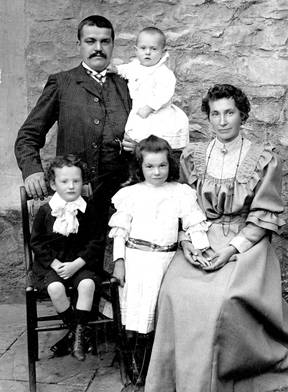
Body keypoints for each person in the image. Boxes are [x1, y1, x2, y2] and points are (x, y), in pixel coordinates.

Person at [145, 84, 288, 392]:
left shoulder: (263, 158)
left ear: (243, 116)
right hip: (201, 234)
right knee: (174, 289)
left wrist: (230, 251)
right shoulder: (193, 157)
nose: (222, 121)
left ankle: (216, 377)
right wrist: (186, 240)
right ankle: (174, 378)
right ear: (208, 118)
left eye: (229, 113)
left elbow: (264, 215)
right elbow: (182, 205)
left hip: (245, 240)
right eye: (215, 114)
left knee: (220, 298)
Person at [15, 15, 133, 266]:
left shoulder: (127, 84)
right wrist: (32, 170)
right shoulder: (62, 82)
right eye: (91, 41)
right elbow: (28, 135)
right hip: (77, 190)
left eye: (105, 41)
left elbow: (151, 132)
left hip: (121, 189)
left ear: (113, 45)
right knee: (79, 268)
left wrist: (139, 146)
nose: (98, 48)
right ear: (78, 44)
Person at [108, 135, 210, 389]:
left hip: (167, 260)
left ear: (170, 165)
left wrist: (202, 250)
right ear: (140, 167)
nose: (157, 171)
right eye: (150, 166)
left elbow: (193, 223)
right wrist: (119, 261)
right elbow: (120, 231)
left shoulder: (180, 192)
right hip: (137, 259)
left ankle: (160, 364)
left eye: (162, 166)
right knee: (138, 310)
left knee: (159, 311)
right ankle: (135, 358)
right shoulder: (130, 194)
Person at [30, 155, 103, 361]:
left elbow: (96, 241)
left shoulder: (88, 209)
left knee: (87, 284)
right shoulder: (46, 211)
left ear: (83, 182)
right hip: (52, 266)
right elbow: (37, 243)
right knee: (55, 288)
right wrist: (55, 263)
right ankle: (78, 331)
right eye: (64, 181)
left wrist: (77, 264)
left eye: (76, 181)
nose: (71, 186)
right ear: (53, 184)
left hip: (81, 263)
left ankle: (76, 337)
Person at [113, 26, 189, 154]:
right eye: (143, 48)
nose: (147, 52)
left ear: (163, 52)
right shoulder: (135, 66)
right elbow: (125, 70)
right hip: (139, 109)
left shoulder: (163, 73)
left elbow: (164, 93)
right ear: (136, 50)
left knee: (155, 135)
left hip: (157, 112)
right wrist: (116, 69)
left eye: (153, 49)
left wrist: (150, 107)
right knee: (138, 134)